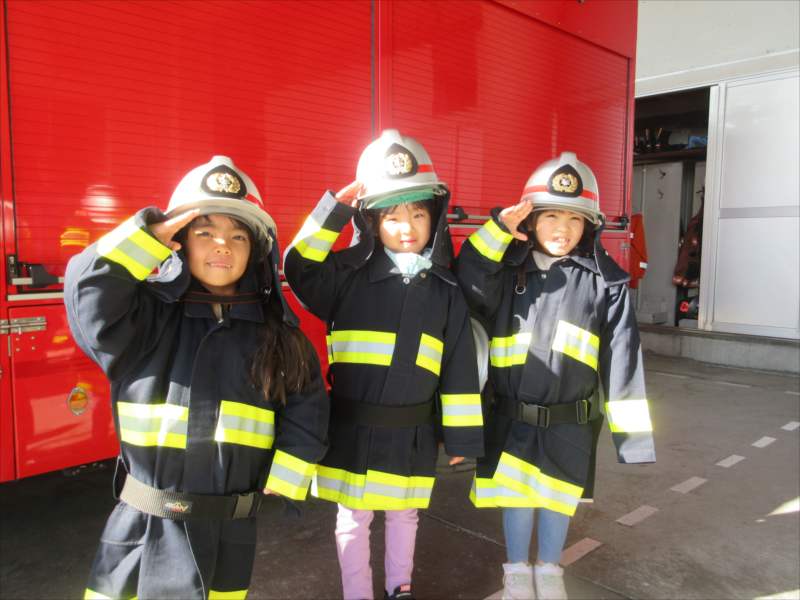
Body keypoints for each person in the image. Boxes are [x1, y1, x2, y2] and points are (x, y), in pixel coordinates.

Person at [65, 155, 330, 600]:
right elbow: (87, 288)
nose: (222, 245)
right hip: (141, 532)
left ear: (256, 252)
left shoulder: (279, 335)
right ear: (180, 242)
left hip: (230, 533)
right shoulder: (144, 320)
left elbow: (308, 406)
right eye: (204, 232)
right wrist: (144, 237)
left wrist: (286, 474)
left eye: (238, 235)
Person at [283, 129, 484, 600]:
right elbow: (299, 267)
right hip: (351, 428)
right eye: (392, 216)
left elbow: (458, 368)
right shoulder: (344, 278)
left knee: (404, 513)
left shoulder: (446, 290)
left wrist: (460, 438)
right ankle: (357, 593)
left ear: (434, 218)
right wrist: (331, 213)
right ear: (372, 221)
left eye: (418, 214)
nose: (406, 226)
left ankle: (400, 588)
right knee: (353, 517)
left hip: (412, 432)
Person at [455, 152, 656, 600]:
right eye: (550, 216)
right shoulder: (504, 272)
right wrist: (495, 233)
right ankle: (515, 573)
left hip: (571, 422)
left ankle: (549, 572)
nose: (562, 228)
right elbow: (467, 281)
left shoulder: (605, 284)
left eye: (574, 218)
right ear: (530, 222)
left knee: (557, 498)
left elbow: (623, 361)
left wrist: (633, 439)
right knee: (517, 498)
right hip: (511, 418)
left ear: (590, 227)